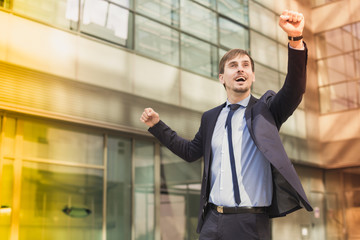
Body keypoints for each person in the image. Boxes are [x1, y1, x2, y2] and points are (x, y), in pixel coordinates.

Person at [140, 10, 313, 240]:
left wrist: (295, 39)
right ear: (222, 77)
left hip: (250, 223)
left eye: (245, 65)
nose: (240, 68)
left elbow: (294, 89)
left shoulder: (266, 110)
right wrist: (157, 126)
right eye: (233, 65)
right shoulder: (210, 117)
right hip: (212, 221)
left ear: (252, 76)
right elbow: (191, 152)